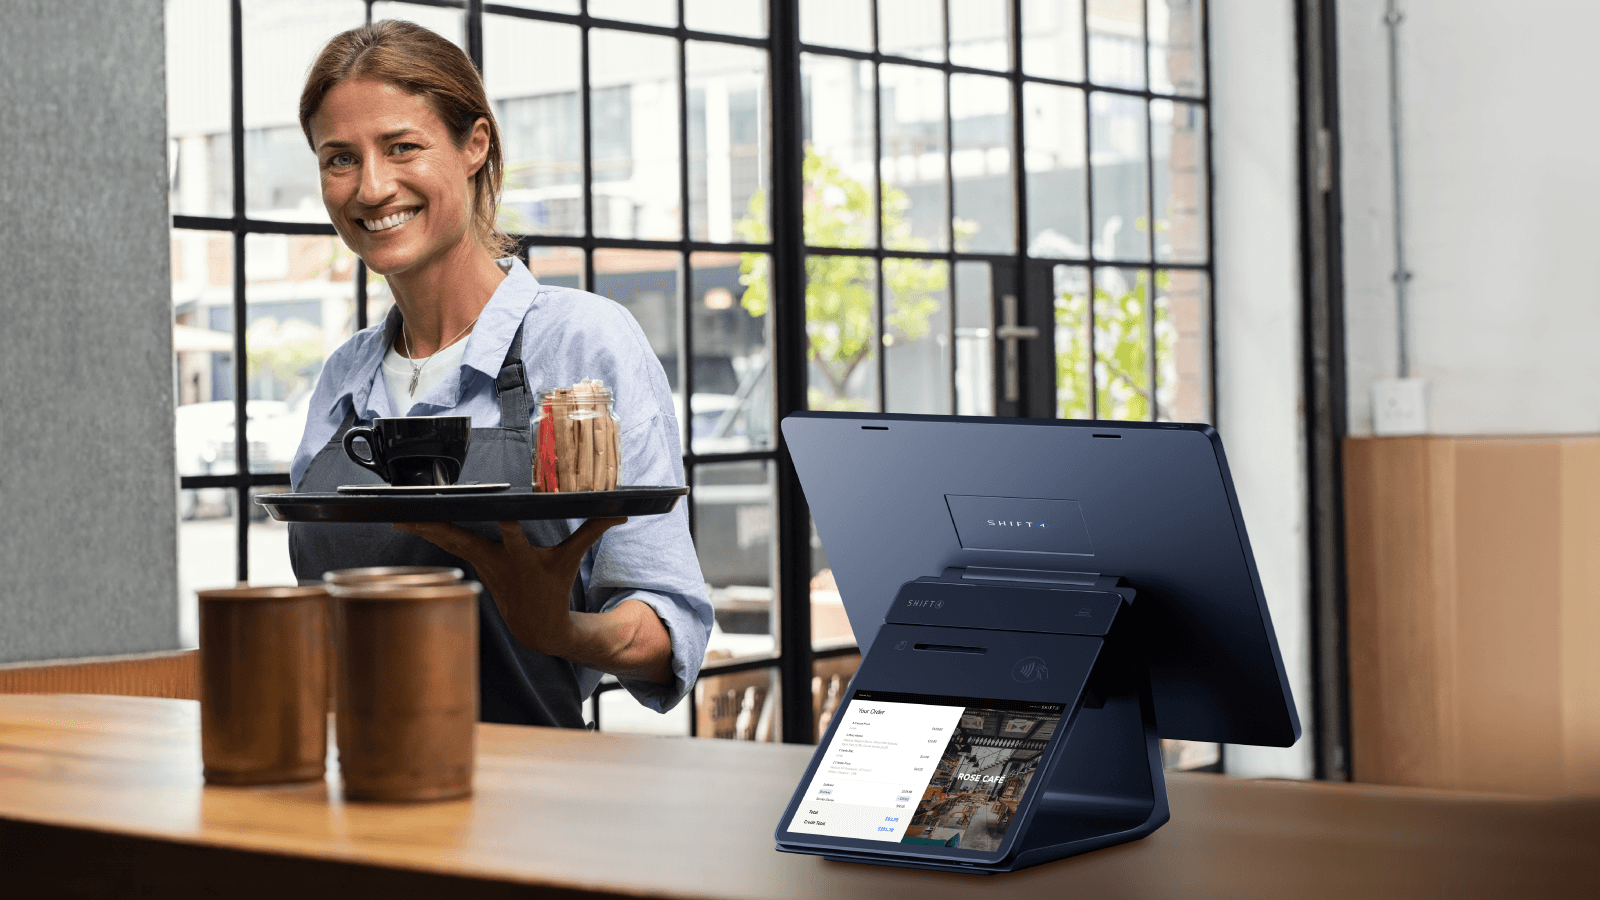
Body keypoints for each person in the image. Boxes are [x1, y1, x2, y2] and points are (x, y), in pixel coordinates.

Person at [286, 20, 711, 728]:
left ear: (474, 145)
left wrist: (558, 629)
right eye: (339, 159)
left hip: (526, 797)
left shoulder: (580, 342)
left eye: (402, 148)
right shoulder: (343, 377)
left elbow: (667, 625)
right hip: (354, 784)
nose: (371, 186)